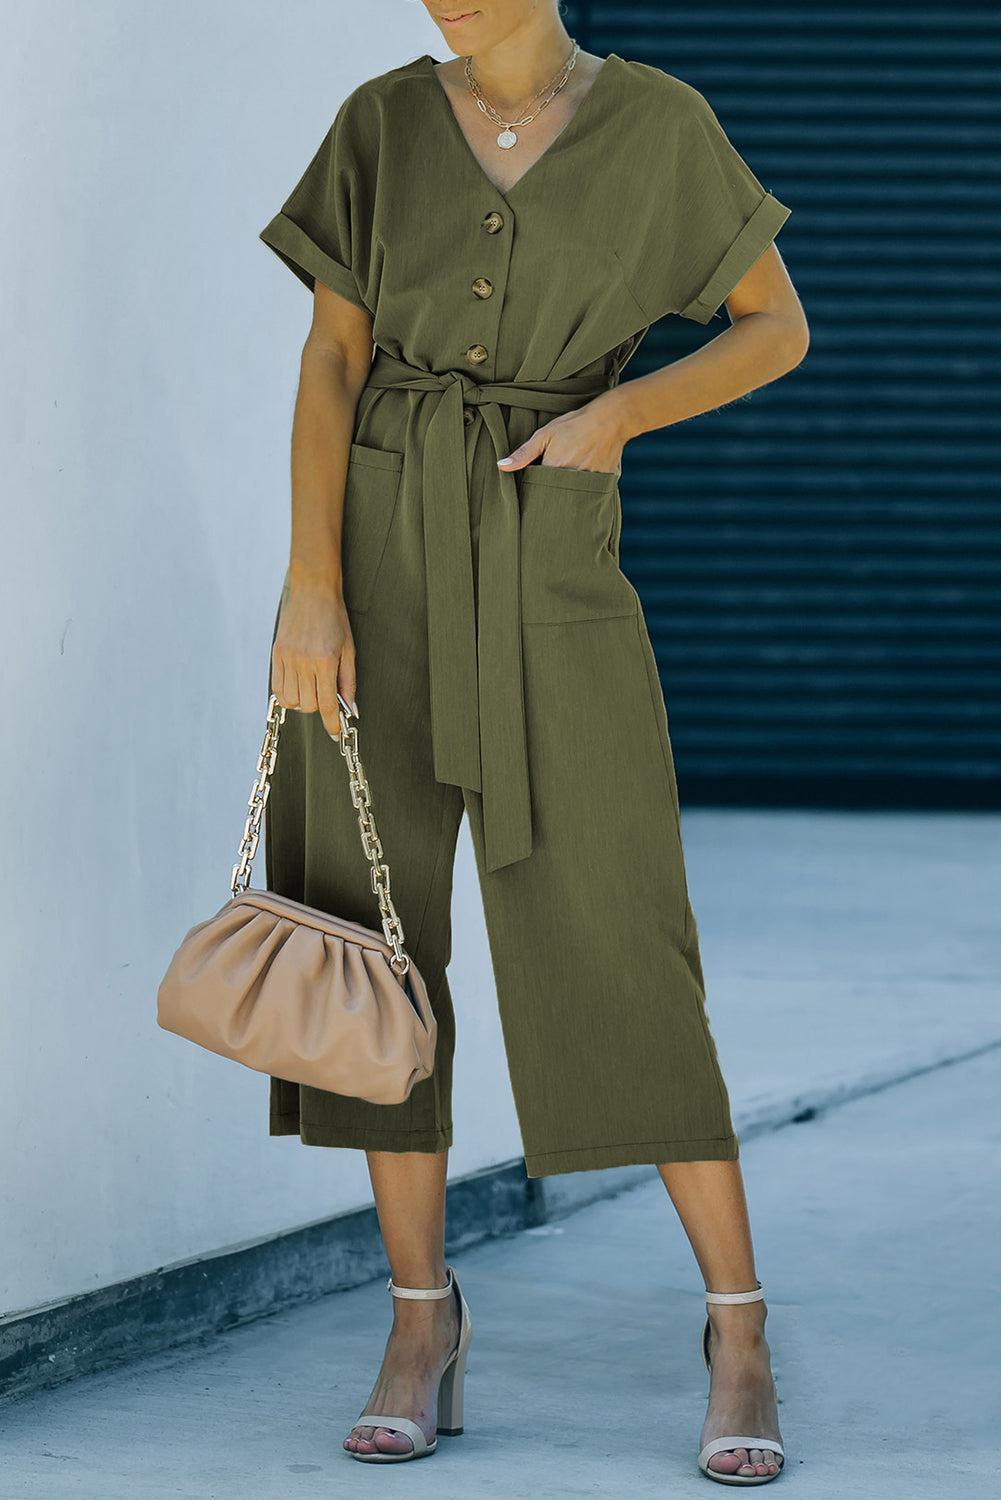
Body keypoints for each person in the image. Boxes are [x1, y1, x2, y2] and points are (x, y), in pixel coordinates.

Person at [258, 0, 808, 1482]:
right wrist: (311, 586)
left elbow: (777, 326)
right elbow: (331, 361)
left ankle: (739, 1328)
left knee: (621, 935)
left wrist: (619, 414)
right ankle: (420, 1321)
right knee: (375, 944)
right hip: (373, 569)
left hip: (551, 559)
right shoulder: (380, 123)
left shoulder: (660, 124)